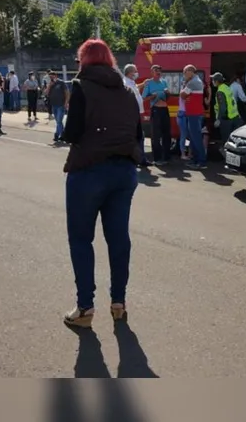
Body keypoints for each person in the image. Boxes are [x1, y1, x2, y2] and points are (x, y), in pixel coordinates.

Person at [60, 39, 141, 328]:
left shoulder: (82, 87)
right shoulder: (128, 91)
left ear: (83, 60)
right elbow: (138, 133)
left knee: (81, 239)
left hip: (89, 170)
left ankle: (85, 308)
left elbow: (71, 133)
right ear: (110, 61)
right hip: (124, 171)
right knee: (119, 238)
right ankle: (118, 301)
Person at [121, 64, 151, 168]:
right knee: (136, 137)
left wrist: (143, 84)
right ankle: (136, 159)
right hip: (131, 114)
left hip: (136, 113)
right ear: (130, 73)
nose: (136, 73)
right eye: (135, 71)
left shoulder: (131, 82)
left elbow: (135, 88)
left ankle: (140, 159)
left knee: (139, 137)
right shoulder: (125, 83)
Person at [141, 64, 171, 165]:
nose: (158, 72)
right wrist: (152, 96)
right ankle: (157, 159)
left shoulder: (164, 82)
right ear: (152, 72)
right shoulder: (149, 83)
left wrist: (167, 93)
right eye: (155, 70)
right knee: (156, 135)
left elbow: (167, 97)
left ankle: (167, 157)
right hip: (155, 110)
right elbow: (144, 98)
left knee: (167, 134)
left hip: (165, 109)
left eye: (159, 70)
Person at [180, 64, 207, 169]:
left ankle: (201, 161)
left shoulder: (193, 82)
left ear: (190, 71)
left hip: (194, 114)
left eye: (185, 72)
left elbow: (182, 95)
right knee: (193, 138)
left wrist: (185, 89)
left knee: (196, 138)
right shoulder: (194, 81)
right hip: (192, 113)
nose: (184, 75)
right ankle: (196, 160)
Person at [212, 72, 242, 151]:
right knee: (234, 140)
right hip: (234, 117)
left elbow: (222, 107)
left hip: (226, 119)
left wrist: (218, 119)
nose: (212, 82)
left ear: (217, 81)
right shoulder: (227, 87)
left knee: (226, 140)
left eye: (213, 80)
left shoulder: (220, 92)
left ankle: (228, 158)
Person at [46, 71, 69, 143]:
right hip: (54, 105)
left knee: (59, 121)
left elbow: (67, 93)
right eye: (50, 77)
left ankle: (59, 135)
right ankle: (60, 135)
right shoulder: (50, 84)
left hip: (61, 105)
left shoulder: (61, 83)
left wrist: (66, 103)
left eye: (52, 76)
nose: (51, 78)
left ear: (55, 76)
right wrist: (49, 85)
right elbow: (46, 93)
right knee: (58, 121)